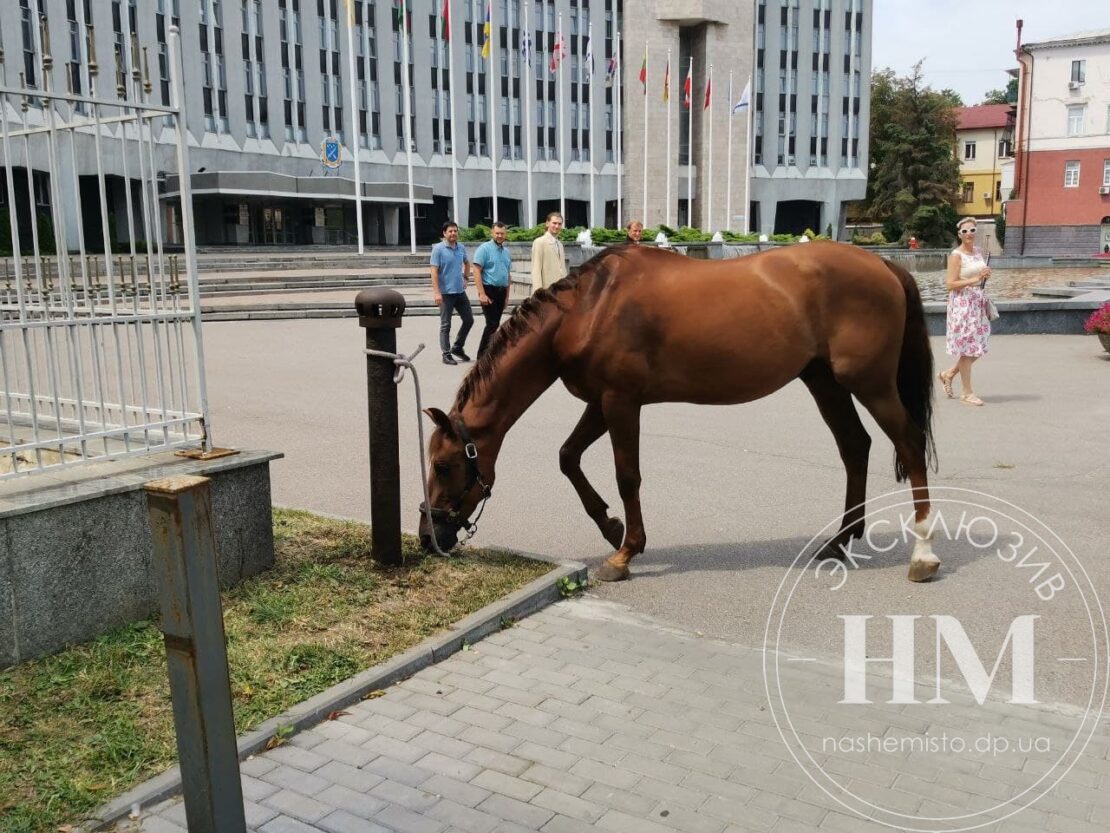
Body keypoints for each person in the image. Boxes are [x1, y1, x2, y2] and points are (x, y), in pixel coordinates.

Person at [937, 217, 992, 406]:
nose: (969, 234)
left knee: (978, 346)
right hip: (962, 305)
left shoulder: (977, 252)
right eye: (965, 231)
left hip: (976, 304)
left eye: (972, 230)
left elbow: (978, 275)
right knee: (968, 349)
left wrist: (984, 275)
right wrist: (975, 279)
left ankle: (948, 374)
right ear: (959, 235)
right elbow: (950, 284)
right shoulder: (956, 255)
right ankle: (967, 393)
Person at [430, 220, 473, 365]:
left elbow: (467, 263)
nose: (453, 233)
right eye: (450, 231)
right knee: (445, 324)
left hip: (460, 292)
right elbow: (434, 271)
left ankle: (458, 347)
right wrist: (437, 292)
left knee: (469, 320)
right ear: (444, 233)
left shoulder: (460, 247)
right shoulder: (438, 249)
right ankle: (446, 354)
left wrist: (466, 278)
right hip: (445, 293)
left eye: (455, 231)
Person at [473, 221, 513, 358]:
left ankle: (490, 353)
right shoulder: (484, 249)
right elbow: (476, 270)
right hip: (489, 290)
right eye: (497, 233)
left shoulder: (506, 252)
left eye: (502, 233)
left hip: (501, 292)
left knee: (495, 324)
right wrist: (481, 293)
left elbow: (508, 275)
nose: (500, 236)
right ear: (492, 233)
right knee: (492, 323)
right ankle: (482, 356)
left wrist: (507, 296)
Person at [531, 212, 567, 292]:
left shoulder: (560, 245)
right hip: (546, 291)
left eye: (559, 224)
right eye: (554, 223)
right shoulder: (539, 242)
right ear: (547, 223)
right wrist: (538, 293)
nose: (557, 226)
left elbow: (562, 269)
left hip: (560, 291)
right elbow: (536, 269)